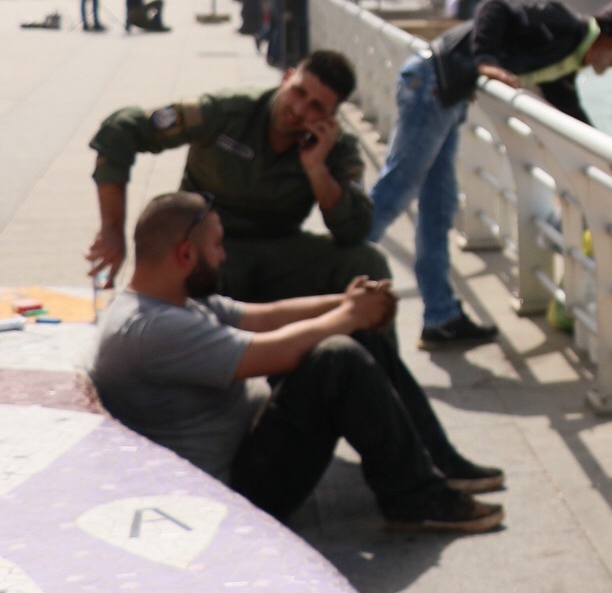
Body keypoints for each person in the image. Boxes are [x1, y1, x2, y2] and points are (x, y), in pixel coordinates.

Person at [90, 192, 503, 532]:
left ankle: (435, 464)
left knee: (351, 333)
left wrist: (349, 303)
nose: (224, 256)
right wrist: (349, 315)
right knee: (337, 358)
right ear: (184, 254)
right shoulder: (150, 329)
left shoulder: (171, 299)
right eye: (216, 246)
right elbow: (276, 351)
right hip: (235, 493)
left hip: (249, 446)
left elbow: (265, 317)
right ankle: (416, 500)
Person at [369, 0, 612, 347]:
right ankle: (330, 276)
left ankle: (440, 317)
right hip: (432, 84)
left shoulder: (563, 63)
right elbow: (496, 8)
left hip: (445, 94)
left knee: (437, 208)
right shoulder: (563, 24)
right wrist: (487, 61)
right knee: (396, 191)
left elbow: (573, 116)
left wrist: (609, 164)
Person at [85, 50, 390, 308]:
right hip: (207, 246)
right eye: (298, 92)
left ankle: (372, 362)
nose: (299, 110)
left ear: (331, 116)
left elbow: (355, 229)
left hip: (278, 251)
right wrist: (112, 229)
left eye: (316, 107)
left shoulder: (337, 146)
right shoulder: (225, 111)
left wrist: (316, 168)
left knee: (366, 264)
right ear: (286, 78)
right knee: (183, 269)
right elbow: (120, 130)